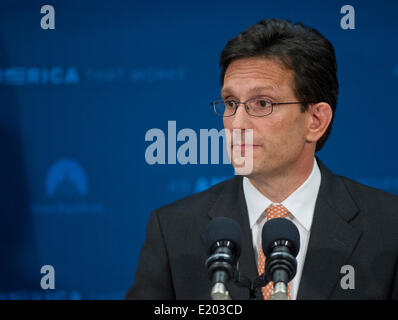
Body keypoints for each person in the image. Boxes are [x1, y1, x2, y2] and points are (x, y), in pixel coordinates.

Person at [125, 19, 398, 300]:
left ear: (316, 120)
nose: (236, 122)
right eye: (231, 104)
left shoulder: (389, 227)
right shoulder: (173, 230)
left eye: (262, 103)